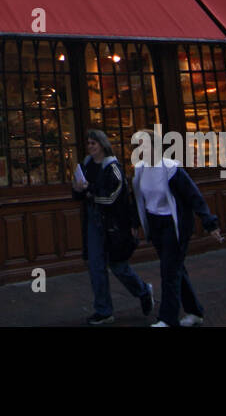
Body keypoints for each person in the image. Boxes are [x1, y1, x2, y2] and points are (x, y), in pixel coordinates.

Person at [72, 130, 153, 324]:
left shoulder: (113, 168)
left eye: (94, 143)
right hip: (93, 220)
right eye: (89, 143)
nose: (90, 146)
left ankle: (142, 290)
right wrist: (78, 190)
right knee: (95, 266)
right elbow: (80, 190)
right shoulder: (87, 164)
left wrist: (88, 191)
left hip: (114, 223)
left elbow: (111, 198)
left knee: (118, 266)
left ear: (102, 145)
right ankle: (103, 310)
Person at [133, 158, 223, 328]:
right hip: (155, 224)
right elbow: (138, 198)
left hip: (174, 225)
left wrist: (210, 223)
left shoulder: (170, 168)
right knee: (175, 269)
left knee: (169, 271)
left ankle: (168, 319)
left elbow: (193, 195)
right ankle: (195, 311)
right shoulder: (140, 170)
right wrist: (135, 222)